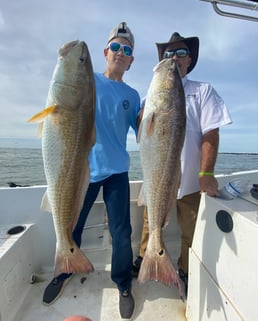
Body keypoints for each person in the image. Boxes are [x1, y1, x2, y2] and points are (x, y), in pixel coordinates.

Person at [43, 22, 140, 319]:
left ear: (131, 59)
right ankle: (64, 268)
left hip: (117, 173)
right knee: (72, 225)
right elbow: (65, 98)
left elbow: (145, 133)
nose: (120, 53)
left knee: (121, 234)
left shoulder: (133, 95)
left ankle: (123, 283)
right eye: (115, 47)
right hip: (82, 170)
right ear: (105, 51)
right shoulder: (88, 81)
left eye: (126, 50)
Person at [132, 32, 232, 296]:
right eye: (168, 54)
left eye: (179, 53)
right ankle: (146, 260)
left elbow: (211, 132)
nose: (173, 58)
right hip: (157, 178)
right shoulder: (151, 94)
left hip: (188, 182)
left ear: (189, 59)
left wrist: (206, 173)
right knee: (148, 224)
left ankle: (184, 270)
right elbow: (141, 133)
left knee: (191, 233)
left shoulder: (203, 91)